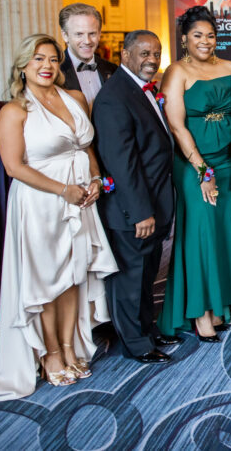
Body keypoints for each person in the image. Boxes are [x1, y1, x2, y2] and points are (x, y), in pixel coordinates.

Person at [0, 34, 117, 399]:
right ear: (22, 66)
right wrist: (63, 190)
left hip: (81, 198)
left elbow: (86, 147)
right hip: (41, 201)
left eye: (52, 59)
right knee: (46, 281)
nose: (46, 65)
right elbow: (14, 167)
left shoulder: (74, 98)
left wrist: (95, 179)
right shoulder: (14, 111)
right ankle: (52, 354)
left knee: (74, 275)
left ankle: (71, 346)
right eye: (38, 59)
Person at [93, 30, 180, 363]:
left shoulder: (142, 89)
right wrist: (141, 212)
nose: (152, 60)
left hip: (153, 201)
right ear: (125, 55)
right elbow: (122, 163)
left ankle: (146, 330)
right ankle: (136, 344)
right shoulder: (114, 96)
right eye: (144, 53)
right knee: (130, 279)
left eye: (156, 53)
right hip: (132, 210)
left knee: (146, 275)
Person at [157, 7, 231, 343]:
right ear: (184, 39)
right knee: (200, 233)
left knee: (222, 231)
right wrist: (203, 170)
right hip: (195, 166)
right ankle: (200, 311)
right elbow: (177, 126)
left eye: (210, 35)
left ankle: (218, 303)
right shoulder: (176, 71)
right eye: (197, 35)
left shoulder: (230, 68)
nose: (205, 41)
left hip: (229, 160)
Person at [58, 3, 117, 105]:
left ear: (99, 34)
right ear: (65, 36)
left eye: (92, 33)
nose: (87, 41)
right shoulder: (55, 71)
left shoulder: (113, 70)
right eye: (79, 34)